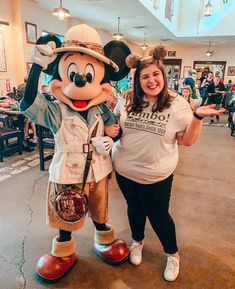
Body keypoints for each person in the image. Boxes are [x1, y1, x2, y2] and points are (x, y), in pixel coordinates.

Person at [20, 24, 131, 282]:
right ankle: (63, 250)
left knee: (100, 208)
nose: (81, 79)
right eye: (74, 72)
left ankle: (103, 239)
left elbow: (117, 128)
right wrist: (36, 66)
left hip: (98, 169)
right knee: (65, 211)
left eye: (89, 74)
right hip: (66, 170)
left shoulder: (101, 109)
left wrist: (111, 137)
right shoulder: (56, 110)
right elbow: (28, 104)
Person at [109, 46, 226, 282]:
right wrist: (108, 131)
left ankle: (173, 255)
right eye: (145, 76)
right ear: (137, 80)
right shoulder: (127, 99)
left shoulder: (177, 104)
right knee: (134, 207)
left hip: (156, 175)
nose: (151, 80)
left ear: (163, 75)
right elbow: (118, 129)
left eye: (155, 74)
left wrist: (197, 117)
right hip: (124, 169)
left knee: (159, 215)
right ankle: (137, 241)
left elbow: (187, 141)